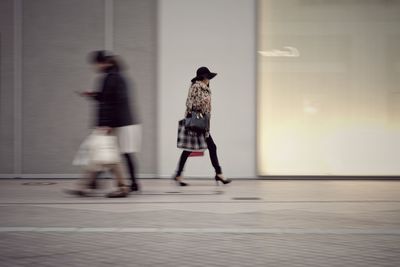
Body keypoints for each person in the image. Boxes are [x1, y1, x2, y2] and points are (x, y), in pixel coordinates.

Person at [71, 50, 140, 197]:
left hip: (111, 123)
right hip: (111, 122)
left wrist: (106, 124)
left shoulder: (112, 78)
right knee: (102, 154)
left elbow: (113, 103)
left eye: (96, 64)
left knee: (106, 154)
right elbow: (107, 99)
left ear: (103, 63)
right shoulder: (113, 77)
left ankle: (119, 187)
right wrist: (95, 95)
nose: (95, 67)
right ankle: (88, 185)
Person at [173, 67, 232, 186]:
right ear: (203, 77)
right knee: (211, 147)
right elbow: (190, 103)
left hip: (201, 122)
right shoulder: (197, 87)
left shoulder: (203, 88)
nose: (209, 80)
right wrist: (202, 106)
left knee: (189, 149)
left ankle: (178, 174)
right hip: (198, 122)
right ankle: (219, 173)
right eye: (208, 77)